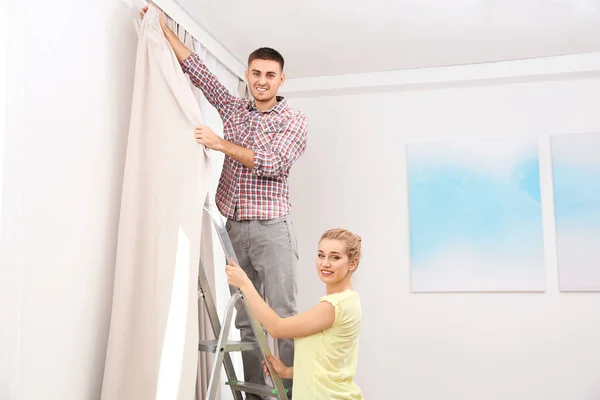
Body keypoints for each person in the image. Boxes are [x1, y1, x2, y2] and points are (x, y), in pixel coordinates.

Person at [140, 5, 308, 398]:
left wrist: (219, 144)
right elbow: (198, 71)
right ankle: (255, 396)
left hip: (272, 230)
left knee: (282, 314)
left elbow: (272, 163)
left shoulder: (292, 121)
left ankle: (292, 391)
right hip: (234, 227)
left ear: (282, 79)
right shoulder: (235, 108)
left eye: (270, 75)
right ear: (247, 75)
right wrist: (162, 27)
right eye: (255, 73)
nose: (261, 81)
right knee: (247, 319)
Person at [226, 228, 364, 400]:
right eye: (321, 255)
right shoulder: (344, 302)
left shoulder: (335, 306)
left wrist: (245, 284)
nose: (325, 263)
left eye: (335, 257)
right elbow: (325, 365)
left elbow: (276, 328)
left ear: (353, 263)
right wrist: (287, 372)